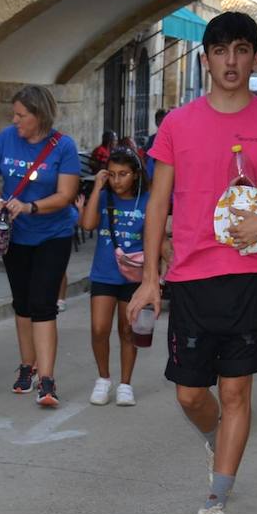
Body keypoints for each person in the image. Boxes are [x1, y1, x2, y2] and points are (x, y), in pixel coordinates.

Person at [128, 11, 257, 514]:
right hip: (191, 275)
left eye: (241, 50)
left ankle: (215, 504)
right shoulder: (178, 124)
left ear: (256, 58)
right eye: (220, 51)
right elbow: (158, 201)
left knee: (236, 390)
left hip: (252, 275)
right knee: (190, 394)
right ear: (205, 59)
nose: (231, 61)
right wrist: (149, 278)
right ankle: (217, 442)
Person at [0, 85, 82, 407]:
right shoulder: (7, 138)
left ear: (39, 115)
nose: (15, 119)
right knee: (22, 303)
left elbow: (65, 195)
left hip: (53, 234)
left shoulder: (63, 146)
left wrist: (31, 207)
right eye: (15, 114)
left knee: (43, 303)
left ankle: (47, 380)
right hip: (16, 235)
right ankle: (27, 365)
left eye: (22, 115)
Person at [79, 146, 150, 407]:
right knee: (99, 328)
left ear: (136, 175)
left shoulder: (146, 199)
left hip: (133, 277)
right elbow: (86, 225)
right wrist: (97, 188)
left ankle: (125, 384)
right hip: (104, 273)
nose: (117, 180)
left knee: (127, 330)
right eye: (112, 174)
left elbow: (153, 238)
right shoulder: (105, 195)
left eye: (123, 174)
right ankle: (103, 379)